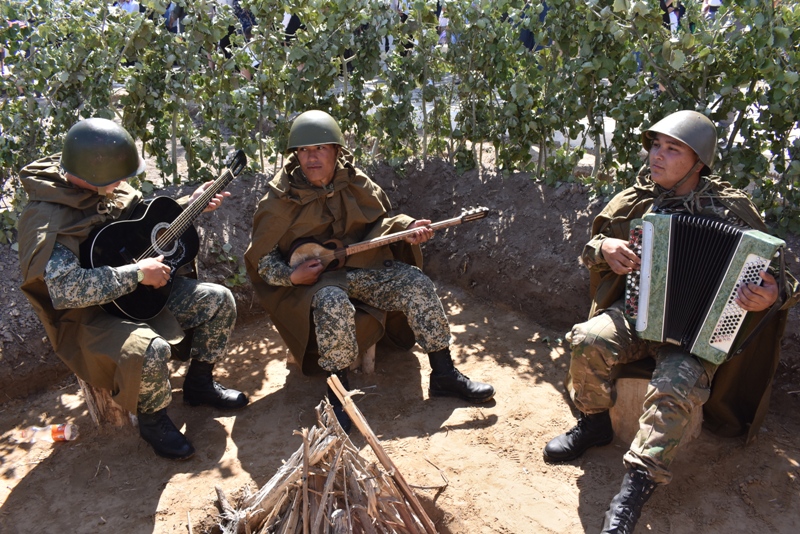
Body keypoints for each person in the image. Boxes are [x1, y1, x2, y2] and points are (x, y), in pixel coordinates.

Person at [541, 110, 799, 533]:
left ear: (698, 162)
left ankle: (634, 489)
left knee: (674, 388)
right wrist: (605, 247)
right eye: (655, 146)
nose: (656, 156)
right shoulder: (637, 199)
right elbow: (590, 247)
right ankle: (593, 423)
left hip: (701, 331)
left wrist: (771, 293)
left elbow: (784, 278)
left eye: (671, 148)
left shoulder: (732, 209)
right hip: (638, 313)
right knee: (587, 340)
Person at [244, 110, 495, 432]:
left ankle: (444, 373)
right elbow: (262, 260)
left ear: (337, 151)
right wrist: (291, 276)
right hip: (311, 283)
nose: (312, 157)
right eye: (304, 150)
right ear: (296, 155)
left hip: (360, 268)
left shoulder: (356, 182)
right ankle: (338, 393)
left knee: (414, 282)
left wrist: (406, 227)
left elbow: (380, 224)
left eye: (321, 148)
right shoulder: (278, 201)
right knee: (332, 302)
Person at [17, 118, 249, 460]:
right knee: (149, 349)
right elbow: (66, 290)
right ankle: (153, 420)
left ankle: (199, 383)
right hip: (90, 318)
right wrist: (137, 274)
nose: (124, 182)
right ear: (90, 175)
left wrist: (191, 203)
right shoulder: (46, 219)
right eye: (118, 177)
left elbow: (134, 228)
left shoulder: (103, 186)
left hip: (141, 295)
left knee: (219, 301)